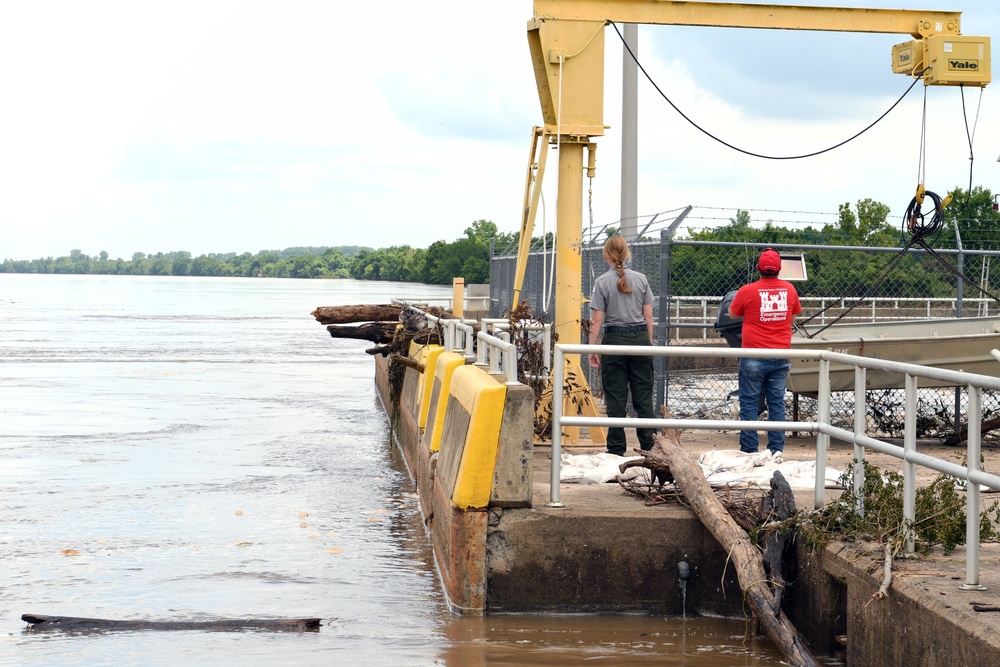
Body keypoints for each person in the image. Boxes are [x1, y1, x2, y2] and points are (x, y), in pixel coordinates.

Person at [728, 248, 802, 459]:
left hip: (753, 355)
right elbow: (792, 317)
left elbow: (732, 313)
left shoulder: (747, 290)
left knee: (749, 403)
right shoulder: (790, 289)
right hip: (780, 356)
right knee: (776, 403)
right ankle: (776, 451)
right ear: (779, 269)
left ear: (759, 268)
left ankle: (750, 451)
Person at [587, 236, 655, 456]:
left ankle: (616, 450)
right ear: (627, 254)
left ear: (606, 255)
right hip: (640, 339)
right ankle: (650, 447)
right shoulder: (642, 279)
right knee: (643, 397)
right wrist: (648, 342)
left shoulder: (601, 282)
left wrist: (593, 348)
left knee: (616, 398)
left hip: (614, 341)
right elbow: (648, 317)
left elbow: (597, 319)